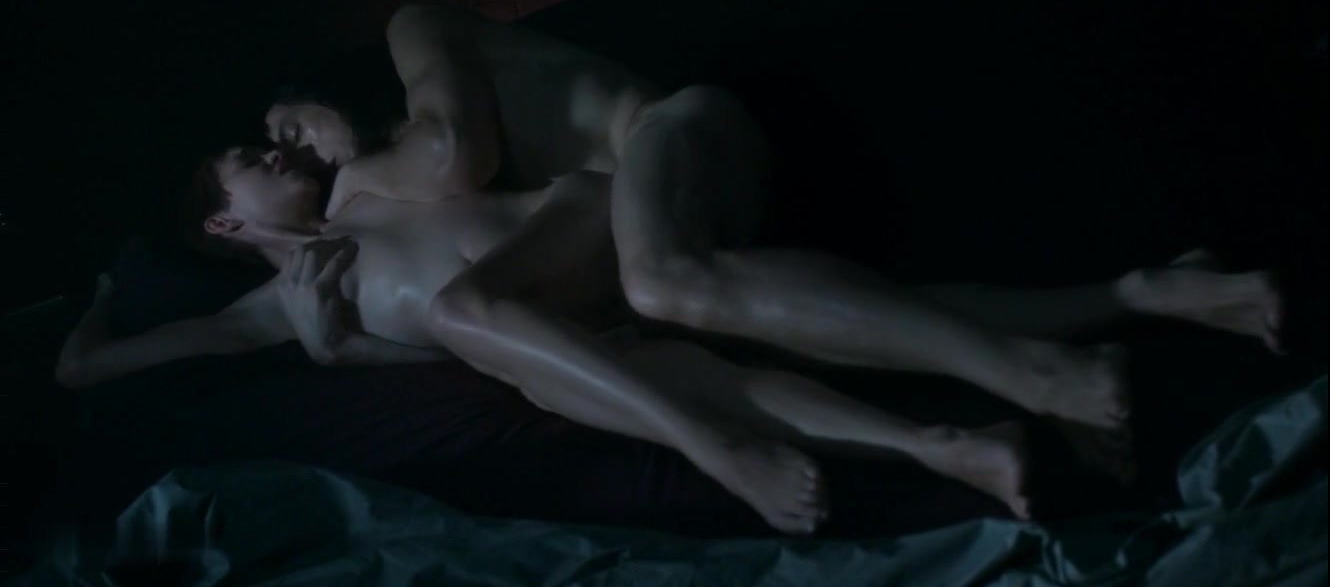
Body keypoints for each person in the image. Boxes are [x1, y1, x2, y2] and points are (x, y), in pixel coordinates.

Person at [265, 3, 1283, 431]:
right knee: (838, 327)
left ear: (320, 86)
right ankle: (1153, 291)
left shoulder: (412, 33)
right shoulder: (377, 207)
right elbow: (492, 352)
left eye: (288, 130)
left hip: (678, 132)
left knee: (663, 281)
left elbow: (454, 154)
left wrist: (355, 188)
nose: (304, 156)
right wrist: (341, 350)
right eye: (280, 159)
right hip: (672, 225)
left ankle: (1039, 376)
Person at [59, 147, 1038, 534]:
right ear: (224, 223)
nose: (274, 153)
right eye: (248, 161)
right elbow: (81, 370)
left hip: (601, 224)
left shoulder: (361, 179)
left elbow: (451, 137)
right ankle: (952, 448)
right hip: (592, 329)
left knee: (493, 323)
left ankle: (719, 450)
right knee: (653, 372)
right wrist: (103, 290)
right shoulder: (272, 313)